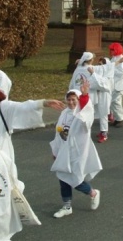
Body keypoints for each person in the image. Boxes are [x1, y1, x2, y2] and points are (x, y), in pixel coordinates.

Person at [50, 80, 102, 218]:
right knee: (63, 177)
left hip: (77, 152)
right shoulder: (65, 113)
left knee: (75, 179)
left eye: (74, 100)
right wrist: (55, 151)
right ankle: (67, 206)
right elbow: (58, 132)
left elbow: (87, 114)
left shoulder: (82, 113)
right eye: (69, 99)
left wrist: (85, 95)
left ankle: (93, 192)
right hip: (63, 152)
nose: (71, 102)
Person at [109, 42, 123, 127]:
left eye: (112, 50)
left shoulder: (122, 59)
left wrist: (111, 70)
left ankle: (120, 119)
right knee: (115, 102)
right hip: (114, 83)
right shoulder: (114, 58)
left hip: (119, 84)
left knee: (115, 102)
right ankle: (117, 118)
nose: (111, 52)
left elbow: (122, 73)